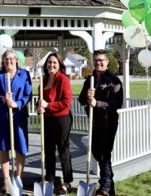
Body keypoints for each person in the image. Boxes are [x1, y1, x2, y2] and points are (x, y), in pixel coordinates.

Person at [78, 49, 123, 196]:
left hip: (108, 122)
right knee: (98, 154)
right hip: (94, 122)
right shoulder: (89, 80)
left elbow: (117, 103)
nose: (99, 62)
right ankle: (109, 188)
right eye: (96, 60)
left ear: (107, 61)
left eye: (101, 60)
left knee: (104, 154)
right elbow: (81, 100)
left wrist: (97, 103)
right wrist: (87, 95)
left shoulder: (114, 81)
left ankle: (105, 187)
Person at [0, 49, 32, 193]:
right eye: (6, 59)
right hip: (3, 117)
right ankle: (6, 180)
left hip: (19, 117)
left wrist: (17, 103)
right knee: (4, 148)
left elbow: (28, 94)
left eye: (12, 59)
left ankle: (18, 178)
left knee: (20, 148)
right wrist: (2, 98)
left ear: (16, 60)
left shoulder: (24, 74)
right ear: (3, 60)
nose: (9, 61)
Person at [37, 52, 73, 196]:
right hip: (47, 119)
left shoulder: (63, 79)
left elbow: (66, 102)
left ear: (59, 65)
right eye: (49, 62)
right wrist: (38, 107)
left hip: (62, 119)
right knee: (48, 150)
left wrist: (48, 105)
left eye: (54, 63)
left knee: (63, 150)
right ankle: (50, 179)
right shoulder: (44, 80)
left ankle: (67, 182)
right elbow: (40, 101)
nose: (51, 65)